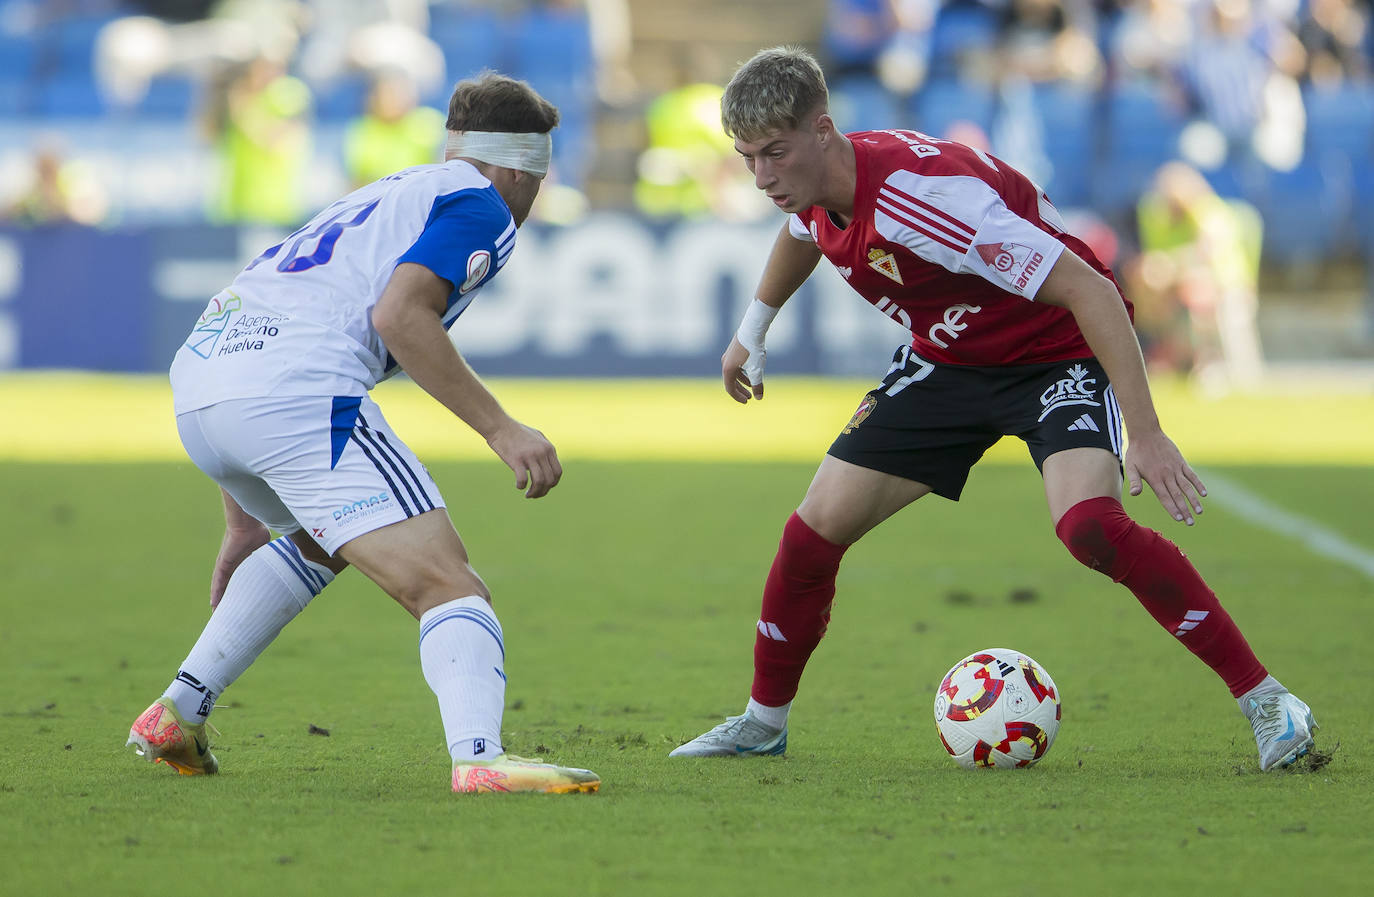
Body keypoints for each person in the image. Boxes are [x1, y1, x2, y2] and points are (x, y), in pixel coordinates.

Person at [669, 47, 1316, 772]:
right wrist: (750, 331)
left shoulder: (928, 198)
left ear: (823, 130)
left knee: (1091, 527)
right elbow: (802, 236)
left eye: (775, 154)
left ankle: (1268, 700)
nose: (760, 177)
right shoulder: (816, 187)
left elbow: (1092, 290)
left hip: (1052, 353)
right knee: (812, 533)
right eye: (748, 157)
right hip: (948, 362)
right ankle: (763, 723)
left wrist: (1149, 432)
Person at [126, 72, 600, 794]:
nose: (535, 194)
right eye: (537, 175)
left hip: (201, 380)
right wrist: (502, 429)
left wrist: (244, 515)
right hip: (295, 390)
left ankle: (177, 713)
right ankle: (479, 757)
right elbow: (400, 317)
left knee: (329, 533)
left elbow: (274, 297)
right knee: (448, 582)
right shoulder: (483, 206)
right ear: (512, 168)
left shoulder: (391, 189)